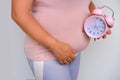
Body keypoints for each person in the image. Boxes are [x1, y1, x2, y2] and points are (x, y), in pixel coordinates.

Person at [11, 0, 111, 80]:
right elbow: (18, 14)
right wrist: (54, 46)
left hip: (73, 54)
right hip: (47, 53)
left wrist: (95, 21)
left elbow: (86, 3)